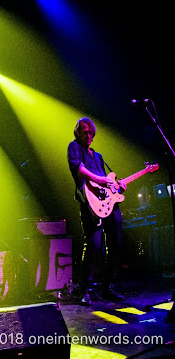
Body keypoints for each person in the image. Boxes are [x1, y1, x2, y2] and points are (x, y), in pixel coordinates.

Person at [67, 117, 126, 305]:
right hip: (90, 204)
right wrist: (100, 180)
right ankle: (83, 290)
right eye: (85, 131)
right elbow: (78, 169)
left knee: (115, 245)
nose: (89, 135)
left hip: (108, 204)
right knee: (93, 246)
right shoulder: (74, 147)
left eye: (91, 132)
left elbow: (108, 183)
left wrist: (118, 187)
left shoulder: (98, 156)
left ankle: (107, 288)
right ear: (78, 132)